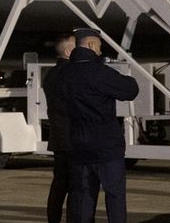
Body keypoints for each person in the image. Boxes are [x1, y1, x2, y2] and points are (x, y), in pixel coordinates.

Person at [61, 27, 139, 223]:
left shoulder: (64, 75)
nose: (101, 51)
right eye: (99, 46)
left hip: (79, 145)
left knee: (84, 198)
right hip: (106, 146)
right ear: (90, 44)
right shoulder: (99, 72)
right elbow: (130, 90)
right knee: (114, 197)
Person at [43, 34, 76, 223]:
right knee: (75, 185)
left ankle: (53, 219)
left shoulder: (51, 75)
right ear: (68, 51)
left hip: (59, 137)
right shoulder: (71, 74)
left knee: (59, 184)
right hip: (72, 137)